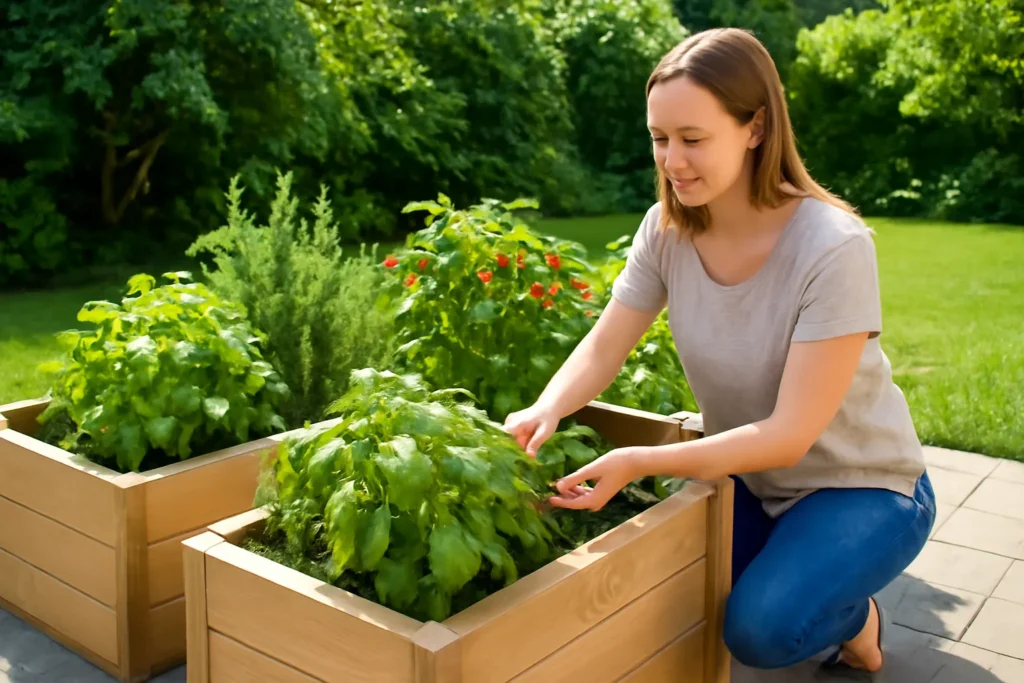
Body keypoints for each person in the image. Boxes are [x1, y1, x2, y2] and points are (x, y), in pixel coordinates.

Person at [503, 27, 935, 677]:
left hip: (863, 487)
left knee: (760, 628)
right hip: (753, 478)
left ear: (755, 128)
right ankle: (806, 574)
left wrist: (644, 459)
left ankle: (858, 618)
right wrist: (546, 409)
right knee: (670, 582)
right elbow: (605, 345)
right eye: (660, 138)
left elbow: (790, 435)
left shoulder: (834, 247)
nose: (672, 161)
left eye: (693, 139)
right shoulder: (668, 229)